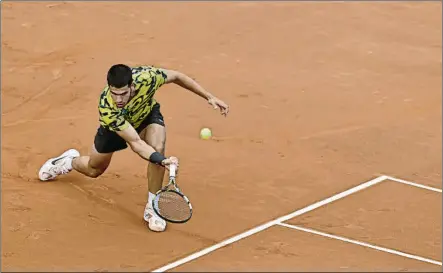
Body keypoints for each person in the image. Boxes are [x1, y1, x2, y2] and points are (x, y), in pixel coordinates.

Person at [38, 64, 229, 232]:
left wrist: (209, 97)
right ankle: (67, 161)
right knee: (94, 169)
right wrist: (162, 161)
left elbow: (177, 76)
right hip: (118, 129)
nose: (118, 99)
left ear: (132, 86)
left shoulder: (148, 78)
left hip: (147, 116)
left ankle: (153, 207)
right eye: (114, 93)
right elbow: (136, 143)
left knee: (158, 146)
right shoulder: (108, 108)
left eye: (123, 93)